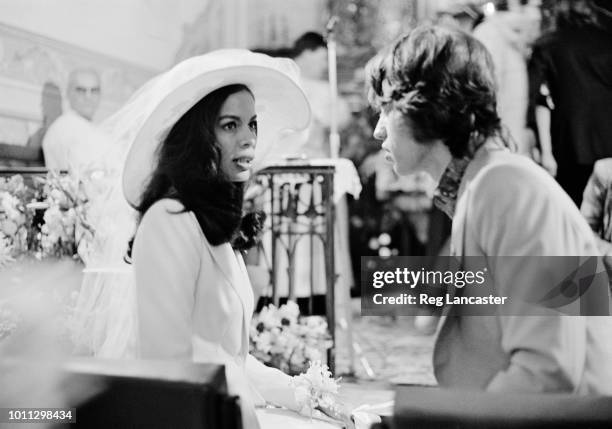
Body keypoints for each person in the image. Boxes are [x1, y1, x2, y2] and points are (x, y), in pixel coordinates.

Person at [75, 49, 353, 429]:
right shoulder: (168, 221)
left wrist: (307, 395)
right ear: (198, 137)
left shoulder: (216, 225)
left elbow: (231, 359)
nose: (248, 138)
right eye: (229, 125)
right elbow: (170, 370)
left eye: (252, 124)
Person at [367, 25, 612, 393]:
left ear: (430, 105)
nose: (378, 131)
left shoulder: (506, 186)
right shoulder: (484, 182)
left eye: (387, 108)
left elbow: (548, 371)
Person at [529, 0, 612, 206]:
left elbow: (539, 99)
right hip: (608, 142)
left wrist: (544, 150)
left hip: (568, 145)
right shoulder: (608, 41)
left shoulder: (546, 45)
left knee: (572, 209)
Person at [473, 0, 540, 157]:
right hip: (501, 143)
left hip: (502, 144)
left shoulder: (496, 34)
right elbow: (485, 91)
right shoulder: (493, 35)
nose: (537, 14)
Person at [42, 67, 110, 172]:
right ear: (68, 93)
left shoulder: (100, 130)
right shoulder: (63, 127)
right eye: (81, 90)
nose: (88, 96)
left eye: (94, 90)